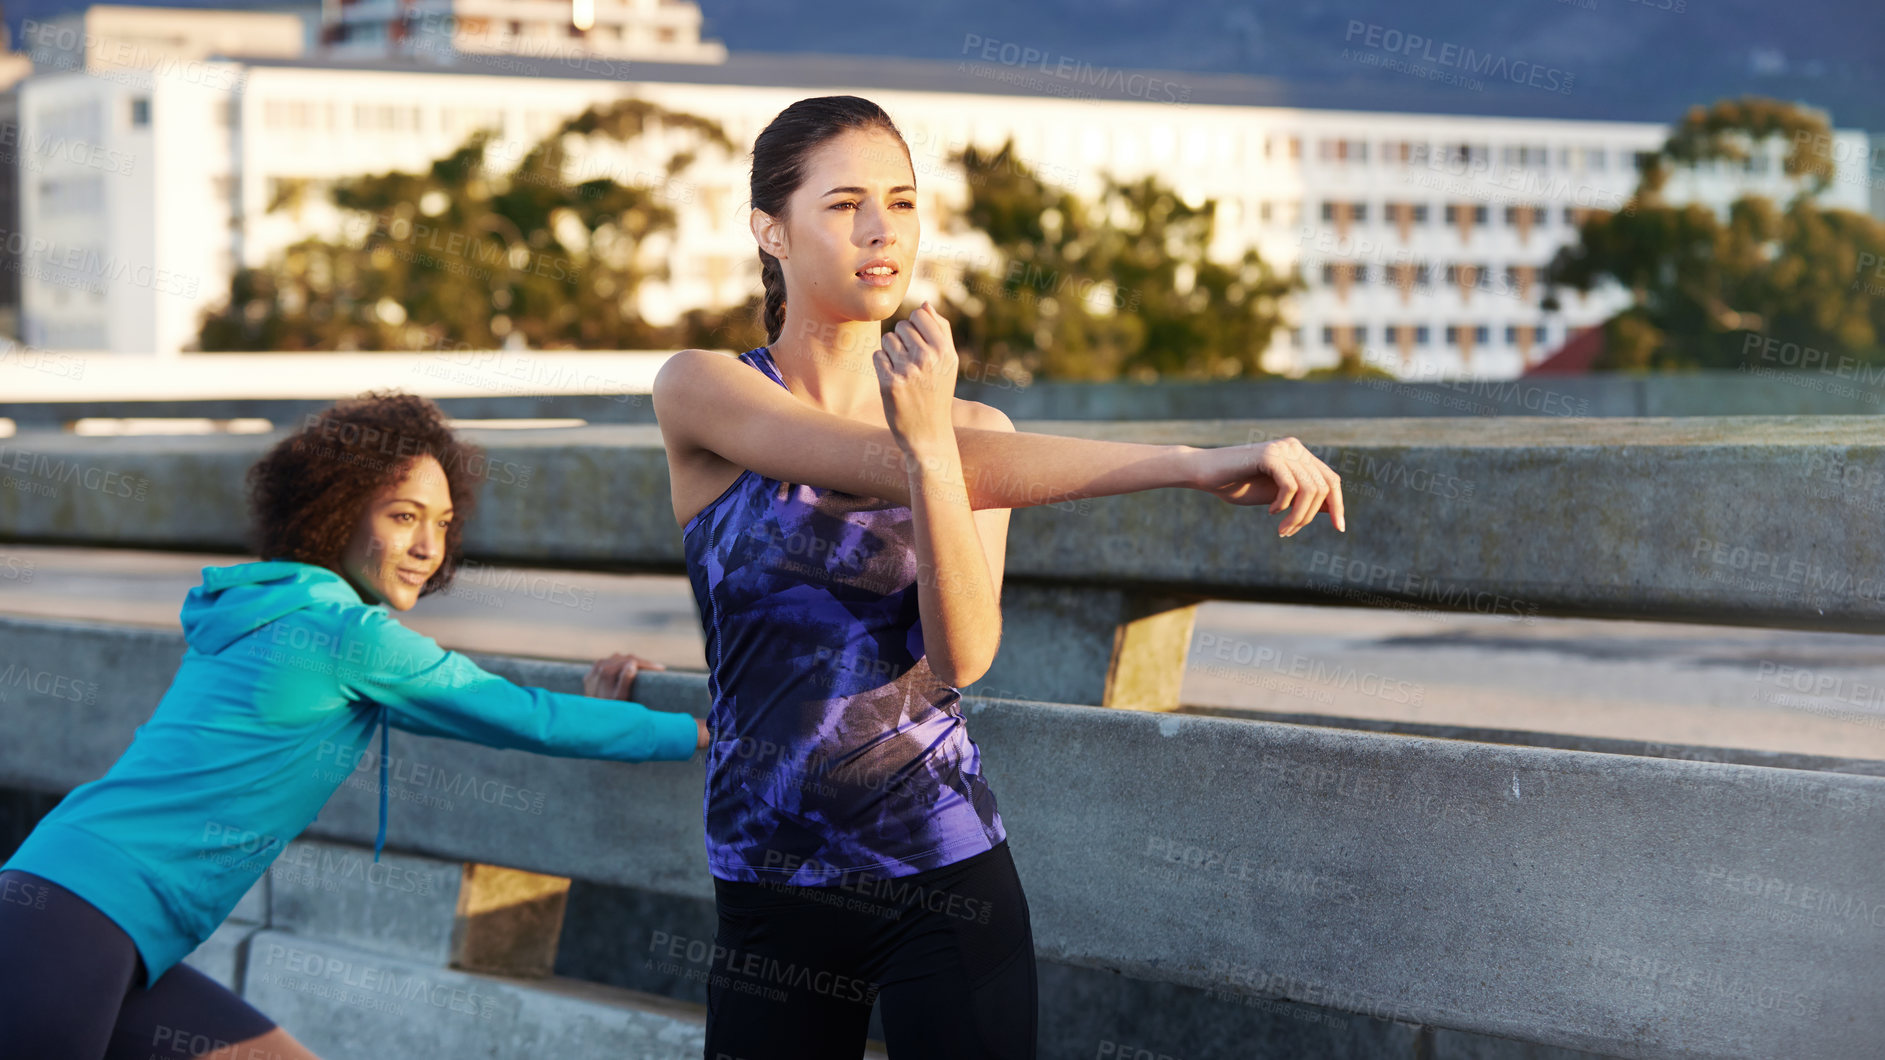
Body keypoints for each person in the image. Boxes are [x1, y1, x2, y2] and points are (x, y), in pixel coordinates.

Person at [653, 95, 1343, 1060]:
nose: (881, 229)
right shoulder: (702, 390)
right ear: (771, 229)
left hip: (944, 875)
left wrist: (939, 448)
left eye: (900, 200)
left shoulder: (973, 435)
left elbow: (962, 656)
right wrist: (1184, 461)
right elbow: (863, 460)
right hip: (767, 883)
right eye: (844, 203)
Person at [0, 391, 707, 1060]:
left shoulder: (264, 610)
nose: (430, 547)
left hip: (88, 919)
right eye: (403, 516)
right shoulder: (348, 634)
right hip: (77, 918)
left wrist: (614, 713)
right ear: (335, 514)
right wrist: (696, 732)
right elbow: (522, 716)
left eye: (444, 522)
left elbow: (504, 710)